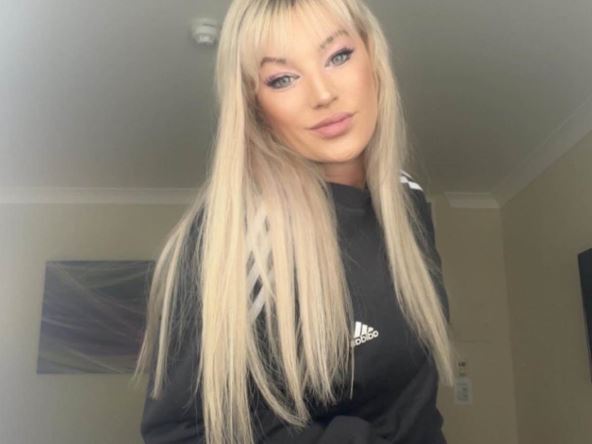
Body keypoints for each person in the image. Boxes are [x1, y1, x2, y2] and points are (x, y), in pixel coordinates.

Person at [131, 0, 457, 443]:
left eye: (338, 55)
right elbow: (178, 433)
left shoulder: (409, 200)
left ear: (373, 58)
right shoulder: (232, 236)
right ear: (255, 105)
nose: (322, 94)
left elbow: (414, 400)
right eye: (282, 78)